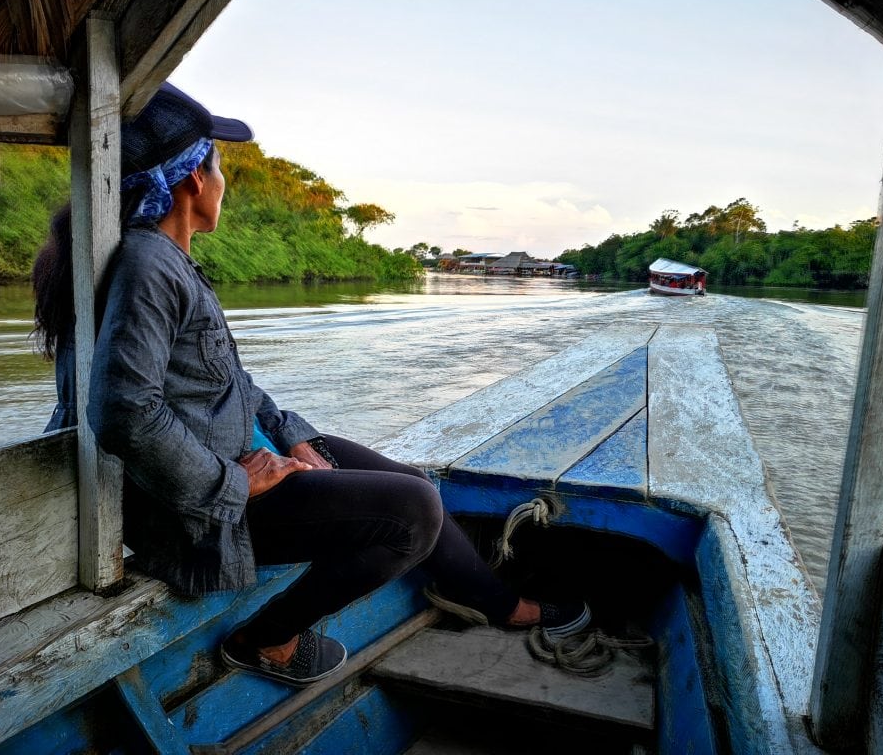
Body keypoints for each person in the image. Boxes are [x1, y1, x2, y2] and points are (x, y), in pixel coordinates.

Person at [32, 83, 589, 687]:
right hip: (200, 511)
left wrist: (292, 437)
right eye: (221, 170)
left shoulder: (165, 260)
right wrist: (234, 482)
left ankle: (501, 604)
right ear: (194, 180)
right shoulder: (149, 264)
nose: (226, 186)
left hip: (232, 459)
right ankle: (266, 639)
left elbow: (228, 381)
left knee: (410, 483)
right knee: (413, 513)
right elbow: (122, 410)